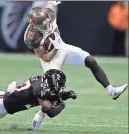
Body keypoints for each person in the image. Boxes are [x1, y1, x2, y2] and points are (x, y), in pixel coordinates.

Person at [23, 1, 128, 130]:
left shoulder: (47, 15)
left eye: (47, 20)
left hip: (62, 48)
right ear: (34, 25)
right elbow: (45, 56)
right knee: (52, 92)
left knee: (90, 61)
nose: (47, 24)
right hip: (50, 59)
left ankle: (111, 91)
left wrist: (51, 2)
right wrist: (55, 48)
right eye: (43, 23)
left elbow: (50, 6)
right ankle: (41, 114)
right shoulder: (31, 37)